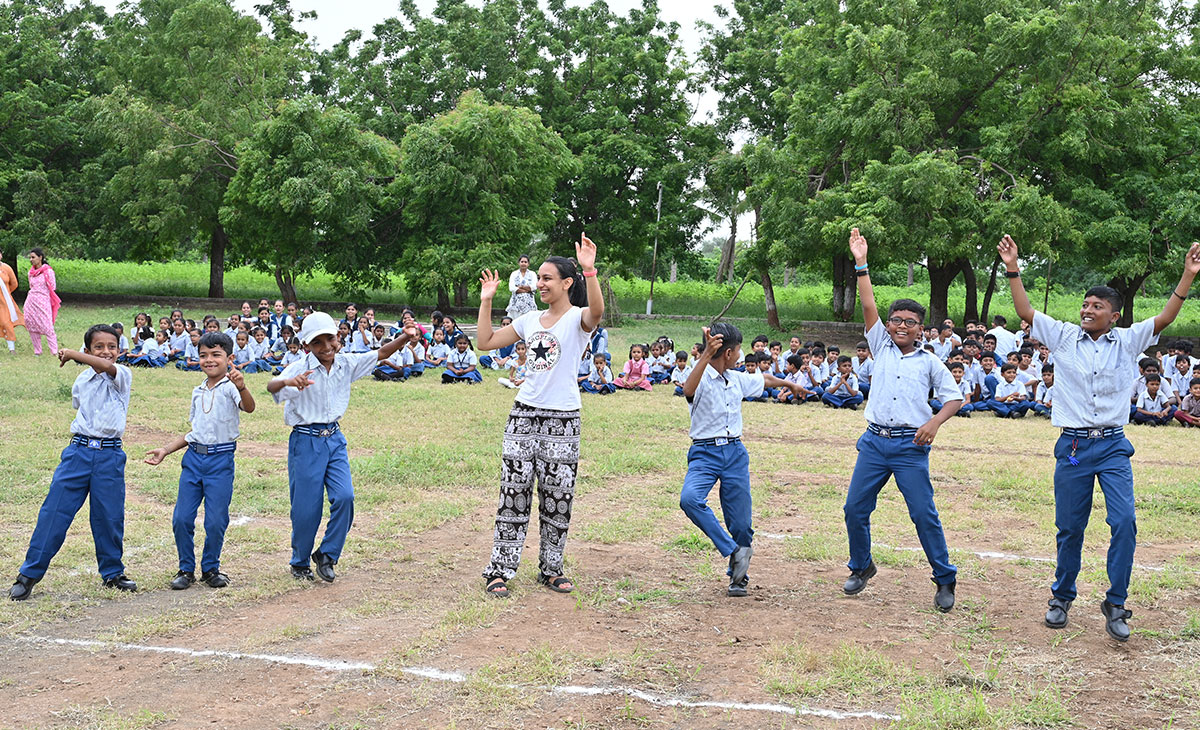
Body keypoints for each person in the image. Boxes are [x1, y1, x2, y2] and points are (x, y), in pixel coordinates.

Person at [998, 233, 1200, 642]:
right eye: (1086, 304)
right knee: (1070, 527)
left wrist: (1187, 275)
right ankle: (1061, 597)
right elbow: (1024, 309)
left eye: (1098, 306)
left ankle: (1116, 601)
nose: (1088, 310)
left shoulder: (1127, 340)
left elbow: (1164, 318)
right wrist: (1013, 267)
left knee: (1124, 522)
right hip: (1073, 447)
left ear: (1114, 315)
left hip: (1111, 446)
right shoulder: (1064, 335)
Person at [842, 228, 963, 613]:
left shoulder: (930, 361)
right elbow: (867, 306)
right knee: (855, 509)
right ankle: (861, 566)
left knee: (923, 513)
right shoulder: (880, 346)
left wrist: (934, 423)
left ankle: (945, 578)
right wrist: (861, 263)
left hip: (910, 446)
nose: (900, 326)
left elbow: (955, 398)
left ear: (921, 329)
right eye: (896, 320)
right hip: (875, 442)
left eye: (910, 322)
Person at [476, 234, 603, 599]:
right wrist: (487, 302)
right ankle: (500, 568)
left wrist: (589, 270)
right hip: (523, 414)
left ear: (566, 283)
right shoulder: (530, 319)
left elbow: (597, 311)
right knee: (512, 493)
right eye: (539, 278)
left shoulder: (579, 319)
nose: (540, 283)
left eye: (547, 278)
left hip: (563, 419)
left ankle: (551, 568)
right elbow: (485, 342)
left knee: (557, 496)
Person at [269, 312, 419, 582]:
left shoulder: (346, 364)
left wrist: (405, 337)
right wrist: (288, 382)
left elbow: (381, 352)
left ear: (339, 337)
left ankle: (327, 554)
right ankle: (299, 561)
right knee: (306, 507)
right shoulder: (299, 368)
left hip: (334, 440)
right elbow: (272, 386)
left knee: (345, 497)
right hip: (305, 440)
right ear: (307, 346)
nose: (326, 347)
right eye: (318, 343)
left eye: (330, 339)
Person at [9, 325, 137, 600]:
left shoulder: (123, 375)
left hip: (109, 455)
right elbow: (81, 407)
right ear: (88, 349)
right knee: (54, 513)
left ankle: (112, 573)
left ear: (119, 349)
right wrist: (78, 358)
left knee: (109, 516)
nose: (106, 352)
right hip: (78, 453)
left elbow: (105, 367)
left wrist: (75, 354)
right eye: (99, 347)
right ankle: (28, 575)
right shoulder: (81, 380)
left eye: (112, 346)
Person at [679, 324, 802, 597]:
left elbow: (765, 381)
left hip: (735, 453)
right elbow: (688, 389)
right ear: (728, 353)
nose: (740, 355)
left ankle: (738, 577)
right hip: (704, 453)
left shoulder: (735, 378)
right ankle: (732, 550)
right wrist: (703, 357)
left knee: (741, 523)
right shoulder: (698, 376)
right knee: (689, 499)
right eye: (737, 350)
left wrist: (790, 383)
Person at [144, 333, 255, 590]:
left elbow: (249, 407)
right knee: (182, 518)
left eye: (216, 355)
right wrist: (165, 450)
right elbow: (193, 432)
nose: (209, 360)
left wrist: (242, 386)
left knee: (216, 520)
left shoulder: (231, 387)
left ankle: (211, 568)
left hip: (221, 461)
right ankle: (185, 568)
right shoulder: (197, 391)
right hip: (193, 459)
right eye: (203, 355)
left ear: (230, 358)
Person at [23, 247, 60, 356]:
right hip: (31, 300)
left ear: (40, 257)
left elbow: (52, 287)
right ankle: (37, 351)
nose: (31, 259)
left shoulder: (48, 271)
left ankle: (54, 351)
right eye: (30, 257)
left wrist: (42, 296)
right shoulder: (31, 272)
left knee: (47, 325)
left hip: (43, 300)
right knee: (31, 323)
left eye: (33, 257)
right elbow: (31, 286)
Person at [0, 249, 23, 353]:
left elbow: (14, 284)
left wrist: (6, 293)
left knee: (6, 322)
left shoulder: (6, 268)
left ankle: (11, 348)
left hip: (4, 301)